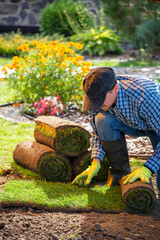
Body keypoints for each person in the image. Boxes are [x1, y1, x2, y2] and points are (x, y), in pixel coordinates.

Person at [72, 67, 160, 191]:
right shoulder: (97, 95)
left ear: (116, 89)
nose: (97, 106)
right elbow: (97, 130)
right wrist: (95, 163)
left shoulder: (147, 97)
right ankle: (119, 175)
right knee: (102, 119)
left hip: (156, 123)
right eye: (94, 102)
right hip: (131, 122)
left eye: (100, 101)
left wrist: (148, 168)